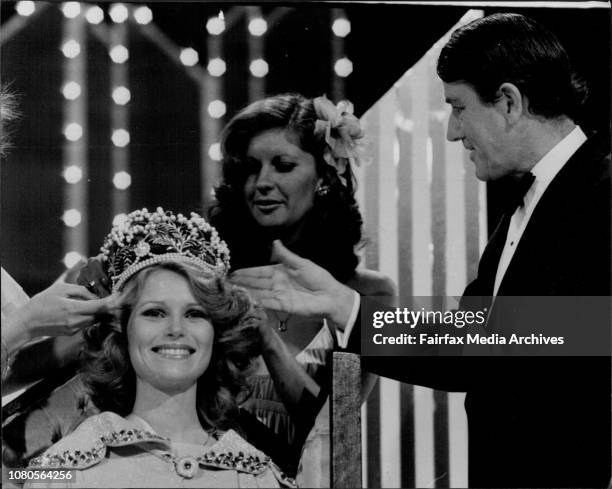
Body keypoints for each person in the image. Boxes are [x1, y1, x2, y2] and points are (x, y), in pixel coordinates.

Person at [231, 13, 611, 488]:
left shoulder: (602, 196)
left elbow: (559, 335)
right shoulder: (524, 206)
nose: (453, 132)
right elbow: (471, 343)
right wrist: (343, 304)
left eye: (459, 107)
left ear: (510, 102)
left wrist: (350, 307)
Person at [25, 208, 295, 488]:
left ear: (217, 333)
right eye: (154, 313)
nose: (176, 329)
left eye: (195, 314)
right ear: (122, 330)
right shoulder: (62, 470)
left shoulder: (258, 477)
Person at [208, 93, 395, 475]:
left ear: (325, 176)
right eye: (249, 168)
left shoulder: (368, 294)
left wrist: (265, 337)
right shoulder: (210, 279)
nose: (262, 182)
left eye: (283, 165)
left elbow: (335, 427)